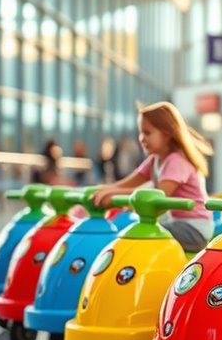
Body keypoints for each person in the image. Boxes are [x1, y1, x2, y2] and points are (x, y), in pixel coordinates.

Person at [92, 101, 214, 252]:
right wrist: (105, 189)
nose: (141, 138)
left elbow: (158, 199)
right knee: (136, 231)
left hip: (195, 229)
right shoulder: (155, 160)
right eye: (140, 132)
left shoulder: (176, 161)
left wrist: (113, 195)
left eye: (147, 133)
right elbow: (128, 183)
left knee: (143, 235)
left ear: (166, 134)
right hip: (178, 223)